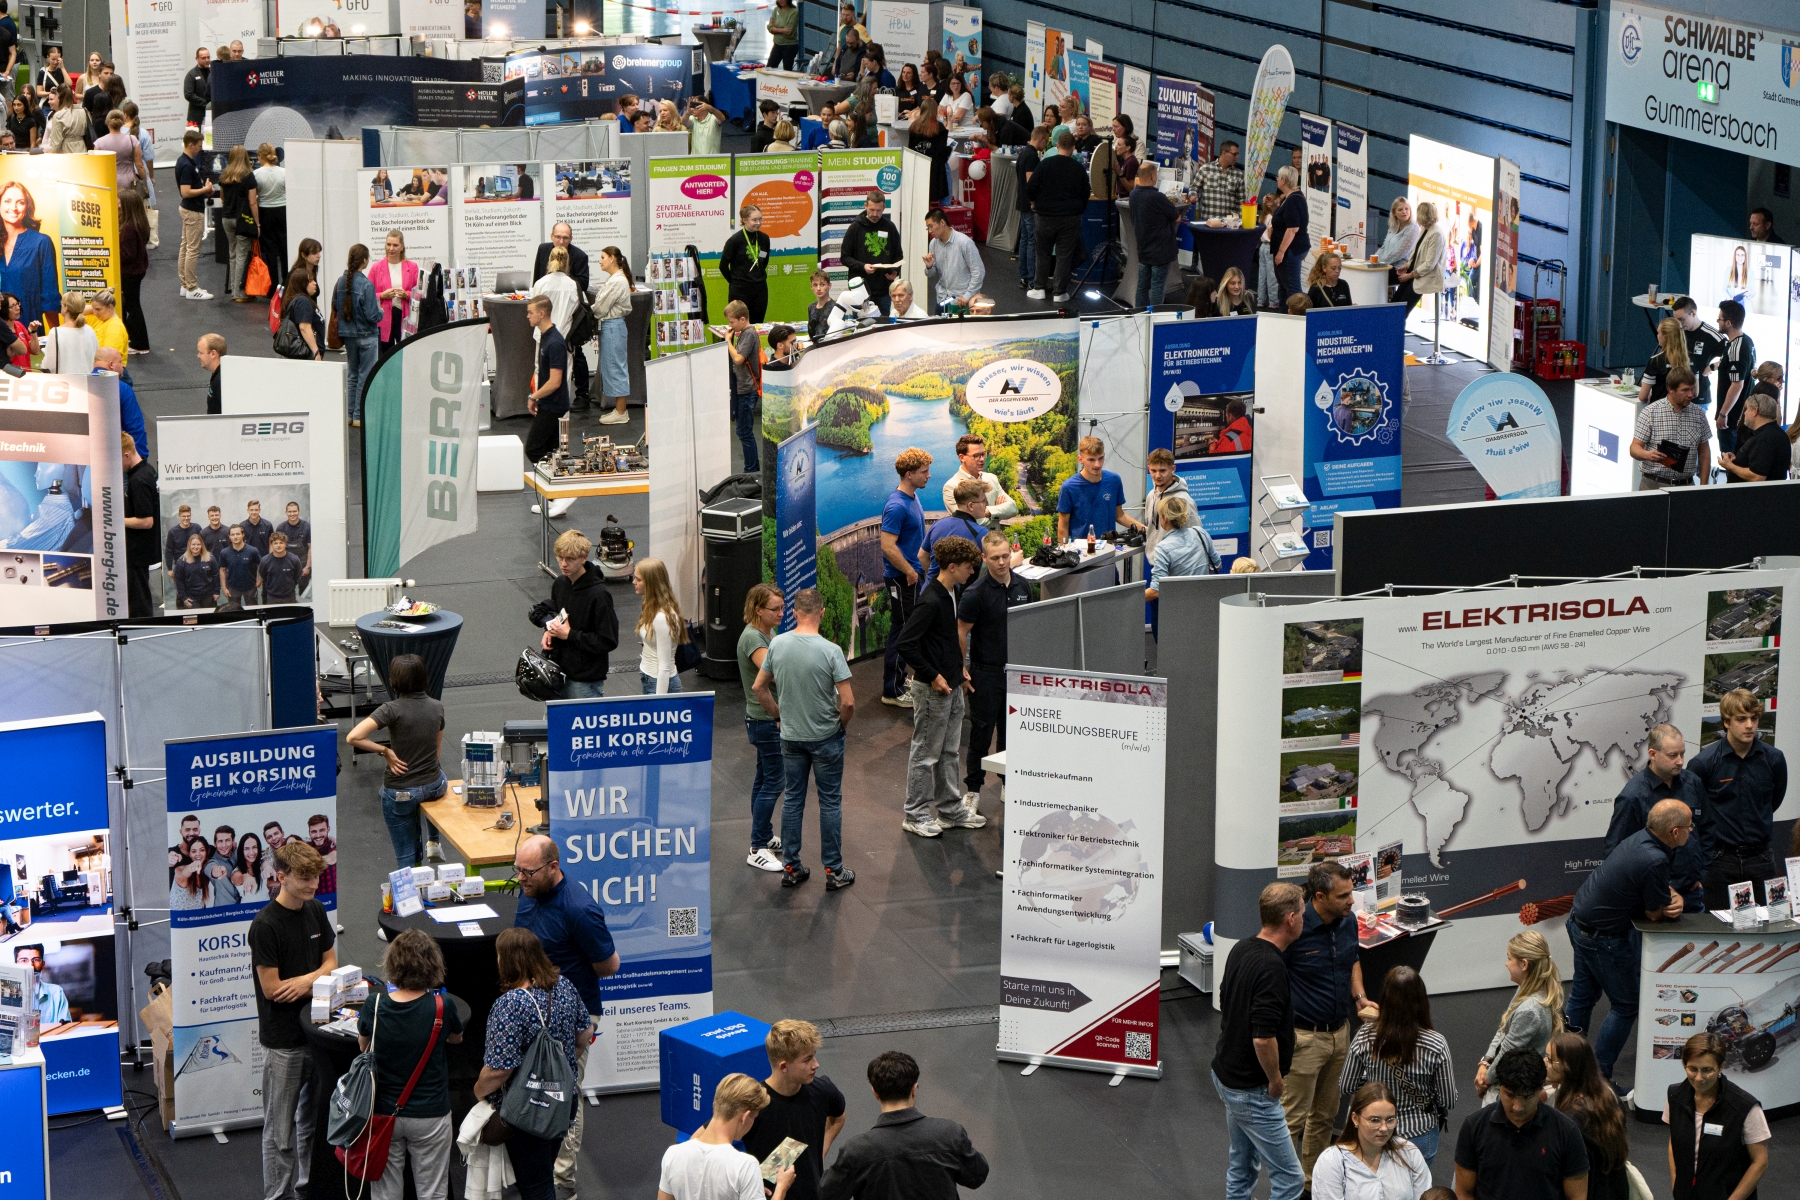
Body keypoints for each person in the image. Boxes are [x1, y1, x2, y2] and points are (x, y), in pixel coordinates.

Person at [508, 837, 618, 1197]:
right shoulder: (531, 890)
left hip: (573, 1016)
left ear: (553, 867)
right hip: (534, 1010)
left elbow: (609, 965)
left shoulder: (579, 909)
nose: (521, 878)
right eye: (518, 870)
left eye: (528, 872)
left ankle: (562, 1180)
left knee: (563, 1092)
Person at [1564, 798, 1692, 1087]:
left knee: (1583, 995)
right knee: (1625, 1005)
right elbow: (1654, 914)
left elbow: (1650, 884)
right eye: (1689, 827)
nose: (1691, 831)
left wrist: (1669, 894)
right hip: (1603, 939)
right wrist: (1674, 901)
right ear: (1674, 832)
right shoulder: (1656, 859)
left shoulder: (1639, 839)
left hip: (1578, 923)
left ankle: (1567, 1069)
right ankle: (1600, 1080)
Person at [1280, 861, 1378, 1189]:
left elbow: (1352, 959)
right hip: (1304, 1039)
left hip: (1340, 1034)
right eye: (1344, 895)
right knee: (1291, 1121)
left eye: (1352, 892)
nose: (1352, 900)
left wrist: (1359, 996)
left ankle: (1312, 1183)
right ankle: (1284, 1188)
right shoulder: (1294, 928)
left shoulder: (1347, 921)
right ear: (1319, 897)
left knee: (1324, 1116)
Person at [752, 588, 856, 890]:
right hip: (826, 737)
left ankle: (792, 868)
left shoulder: (777, 644)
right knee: (830, 802)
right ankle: (834, 871)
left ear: (795, 613)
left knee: (793, 800)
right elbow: (848, 702)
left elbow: (759, 688)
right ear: (822, 613)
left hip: (791, 737)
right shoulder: (831, 651)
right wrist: (840, 726)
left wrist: (779, 716)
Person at [251, 839, 337, 1200]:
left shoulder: (315, 909)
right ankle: (277, 1195)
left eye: (315, 877)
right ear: (282, 876)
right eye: (304, 877)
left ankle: (305, 1190)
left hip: (317, 1033)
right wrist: (317, 979)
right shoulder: (265, 926)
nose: (313, 884)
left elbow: (331, 963)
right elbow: (273, 989)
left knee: (311, 1125)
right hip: (284, 1042)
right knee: (279, 1133)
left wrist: (303, 982)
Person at [478, 927, 589, 1200]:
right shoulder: (564, 986)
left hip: (528, 1110)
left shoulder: (510, 1004)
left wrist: (478, 1092)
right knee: (543, 1171)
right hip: (562, 1100)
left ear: (507, 961)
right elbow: (585, 1033)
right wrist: (562, 1066)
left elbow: (500, 1069)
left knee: (536, 1188)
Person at [1212, 881, 1306, 1200]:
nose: (1304, 920)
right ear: (1290, 919)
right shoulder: (1272, 966)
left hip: (1227, 1076)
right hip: (1252, 1090)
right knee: (1290, 1179)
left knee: (1242, 1164)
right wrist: (1275, 1080)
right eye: (1302, 914)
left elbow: (1226, 999)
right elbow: (1263, 1039)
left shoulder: (1242, 947)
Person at [356, 930, 464, 1200]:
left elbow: (363, 1046)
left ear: (393, 964)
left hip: (383, 1113)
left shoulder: (374, 1004)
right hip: (431, 1114)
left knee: (385, 1192)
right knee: (433, 1192)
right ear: (434, 965)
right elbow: (456, 1038)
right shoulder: (443, 1006)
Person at [896, 533, 984, 838]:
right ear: (952, 566)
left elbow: (946, 640)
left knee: (948, 752)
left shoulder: (952, 592)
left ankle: (949, 809)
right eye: (968, 566)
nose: (972, 571)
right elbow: (906, 644)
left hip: (952, 686)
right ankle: (915, 814)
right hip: (933, 690)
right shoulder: (931, 600)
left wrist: (959, 672)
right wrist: (933, 676)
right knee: (925, 754)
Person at [818, 1050, 988, 1200]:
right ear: (914, 1089)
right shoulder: (950, 1134)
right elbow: (977, 1176)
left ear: (875, 1093)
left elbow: (826, 1194)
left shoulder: (856, 1151)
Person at [1338, 966, 1456, 1167]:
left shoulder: (1365, 1035)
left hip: (1374, 1133)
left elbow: (1346, 1086)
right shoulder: (1436, 1043)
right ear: (1421, 1000)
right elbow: (1448, 1100)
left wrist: (1371, 1082)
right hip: (1419, 1134)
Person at [1689, 687, 1787, 907]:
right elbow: (1694, 813)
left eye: (1754, 718)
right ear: (1726, 722)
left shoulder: (1774, 759)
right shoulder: (1703, 763)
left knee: (1768, 922)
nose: (1749, 725)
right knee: (1716, 924)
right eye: (1741, 719)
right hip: (1719, 860)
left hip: (1761, 858)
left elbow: (1774, 801)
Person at [347, 653, 446, 867]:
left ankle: (408, 888)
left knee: (405, 854)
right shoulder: (438, 707)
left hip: (401, 791)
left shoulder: (390, 709)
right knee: (442, 777)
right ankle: (433, 841)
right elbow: (436, 751)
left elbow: (353, 737)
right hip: (433, 786)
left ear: (394, 680)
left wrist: (385, 751)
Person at [1454, 1048, 1589, 1200]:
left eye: (1527, 1096)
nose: (1517, 1107)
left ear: (1541, 1088)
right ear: (1500, 1087)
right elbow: (1464, 1193)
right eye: (1510, 1095)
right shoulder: (1473, 1127)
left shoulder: (1567, 1132)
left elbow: (1577, 1196)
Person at [957, 531, 1028, 809]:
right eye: (995, 558)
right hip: (985, 674)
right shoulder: (975, 594)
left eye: (1005, 556)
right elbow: (961, 632)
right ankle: (973, 790)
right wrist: (963, 671)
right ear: (984, 558)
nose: (1001, 562)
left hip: (1016, 674)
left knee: (1012, 733)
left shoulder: (1023, 587)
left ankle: (1008, 783)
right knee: (981, 735)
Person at [741, 1020, 846, 1200]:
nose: (816, 1064)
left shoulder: (823, 1091)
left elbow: (838, 1116)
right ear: (783, 1066)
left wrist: (821, 1152)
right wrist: (746, 1179)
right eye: (807, 1060)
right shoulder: (754, 1102)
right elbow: (709, 1140)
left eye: (814, 1056)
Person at [1607, 723, 1707, 911]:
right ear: (1653, 754)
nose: (1680, 761)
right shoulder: (1632, 797)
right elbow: (1617, 854)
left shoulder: (1693, 783)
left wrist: (1702, 873)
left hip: (1693, 892)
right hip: (1656, 898)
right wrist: (1662, 891)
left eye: (1682, 754)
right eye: (1672, 755)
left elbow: (1707, 828)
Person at [1664, 1031, 1769, 1200]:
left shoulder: (1745, 1107)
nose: (1699, 1078)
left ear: (1721, 1067)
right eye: (1692, 1069)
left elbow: (1760, 1161)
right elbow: (1674, 1141)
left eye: (1707, 1070)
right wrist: (1677, 1184)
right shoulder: (1675, 1097)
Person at [660, 1073, 796, 1200]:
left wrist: (751, 1184)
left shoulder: (672, 1154)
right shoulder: (745, 1166)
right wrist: (781, 1187)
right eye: (754, 1118)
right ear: (745, 1116)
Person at [533, 528, 618, 700]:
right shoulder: (560, 584)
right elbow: (557, 614)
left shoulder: (599, 595)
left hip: (584, 681)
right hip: (558, 673)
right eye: (560, 557)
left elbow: (607, 640)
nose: (563, 564)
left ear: (584, 557)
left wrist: (569, 635)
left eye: (570, 559)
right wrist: (550, 630)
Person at [737, 583, 787, 874]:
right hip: (766, 720)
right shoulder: (753, 639)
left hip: (763, 720)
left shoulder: (767, 634)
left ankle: (764, 835)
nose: (781, 613)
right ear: (758, 609)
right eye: (775, 609)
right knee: (774, 782)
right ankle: (757, 848)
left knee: (764, 778)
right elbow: (775, 674)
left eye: (782, 608)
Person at [1310, 1082, 1431, 1200]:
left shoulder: (1409, 1152)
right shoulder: (1332, 1161)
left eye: (1390, 1120)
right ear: (1355, 1119)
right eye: (1375, 1120)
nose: (1384, 1128)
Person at [1544, 1034, 1629, 1200]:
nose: (1544, 1062)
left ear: (1567, 1066)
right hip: (1615, 1188)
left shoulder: (1571, 1118)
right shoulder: (1608, 1096)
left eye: (1550, 1059)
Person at [879, 447, 931, 706]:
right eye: (924, 472)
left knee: (905, 629)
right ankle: (892, 691)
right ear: (909, 474)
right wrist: (910, 571)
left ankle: (899, 678)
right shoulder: (897, 506)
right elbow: (887, 546)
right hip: (902, 579)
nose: (928, 476)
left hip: (910, 576)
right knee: (902, 632)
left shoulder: (912, 497)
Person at [1026, 131, 1091, 302]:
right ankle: (1059, 292)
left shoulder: (1045, 164)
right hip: (1070, 217)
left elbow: (1030, 187)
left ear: (1057, 145)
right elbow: (1085, 193)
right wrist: (1079, 210)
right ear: (1073, 147)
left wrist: (1034, 203)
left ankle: (1039, 288)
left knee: (1042, 253)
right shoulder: (1078, 168)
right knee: (1064, 255)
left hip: (1045, 215)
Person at [1631, 367, 1711, 488]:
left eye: (1692, 389)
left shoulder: (1699, 414)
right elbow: (1634, 448)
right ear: (1671, 389)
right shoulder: (1650, 412)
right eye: (1685, 390)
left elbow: (1704, 452)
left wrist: (1704, 486)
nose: (1691, 394)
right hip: (1653, 484)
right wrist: (1647, 454)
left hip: (1686, 485)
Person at [1056, 435, 1144, 543]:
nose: (1097, 464)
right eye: (1091, 460)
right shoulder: (1069, 487)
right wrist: (1064, 549)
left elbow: (1119, 515)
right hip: (1081, 549)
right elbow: (1063, 526)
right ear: (1080, 459)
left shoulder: (1114, 480)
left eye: (1100, 458)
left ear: (1104, 456)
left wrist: (1145, 529)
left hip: (1108, 546)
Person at [1129, 162, 1189, 309]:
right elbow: (1176, 217)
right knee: (1158, 286)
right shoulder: (1158, 197)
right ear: (1152, 176)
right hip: (1160, 251)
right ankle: (1155, 315)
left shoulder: (1133, 194)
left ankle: (1139, 313)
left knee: (1142, 286)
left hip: (1143, 248)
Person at [0, 180, 57, 326]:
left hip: (27, 328)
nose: (13, 208)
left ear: (27, 207)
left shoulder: (41, 242)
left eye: (20, 202)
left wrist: (56, 336)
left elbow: (50, 296)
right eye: (7, 201)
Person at [838, 189, 903, 317]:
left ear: (884, 208)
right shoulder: (855, 228)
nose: (875, 214)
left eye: (878, 211)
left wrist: (895, 271)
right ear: (865, 206)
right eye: (872, 210)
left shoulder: (890, 227)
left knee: (883, 325)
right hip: (859, 290)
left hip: (883, 289)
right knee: (860, 325)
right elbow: (845, 257)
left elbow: (898, 255)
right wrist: (863, 266)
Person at [1145, 495, 1219, 603]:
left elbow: (1156, 590)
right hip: (1205, 602)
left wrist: (1132, 600)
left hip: (1179, 606)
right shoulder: (1200, 533)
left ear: (1165, 519)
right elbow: (1217, 565)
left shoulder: (1162, 548)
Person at [522, 294, 569, 461]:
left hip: (553, 406)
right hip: (548, 403)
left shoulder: (554, 343)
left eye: (530, 312)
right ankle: (551, 474)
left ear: (541, 314)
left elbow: (555, 382)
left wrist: (533, 396)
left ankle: (546, 475)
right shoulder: (546, 337)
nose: (527, 316)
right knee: (551, 452)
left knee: (533, 449)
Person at [118, 430, 159, 617]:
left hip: (137, 552)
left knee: (139, 602)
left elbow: (146, 521)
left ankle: (142, 629)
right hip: (140, 550)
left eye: (118, 459)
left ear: (127, 455)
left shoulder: (138, 480)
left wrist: (116, 521)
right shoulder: (146, 470)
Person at [592, 245, 634, 426]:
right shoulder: (615, 279)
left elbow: (600, 308)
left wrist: (589, 310)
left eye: (603, 257)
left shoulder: (617, 281)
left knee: (616, 367)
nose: (600, 261)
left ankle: (621, 412)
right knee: (612, 366)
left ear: (612, 258)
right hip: (611, 326)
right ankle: (619, 409)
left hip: (612, 326)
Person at [633, 556, 686, 695]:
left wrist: (660, 701)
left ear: (651, 583)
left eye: (638, 579)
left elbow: (664, 667)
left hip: (659, 683)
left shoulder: (662, 617)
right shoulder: (651, 607)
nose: (634, 582)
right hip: (650, 678)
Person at [723, 299, 763, 471]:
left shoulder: (749, 335)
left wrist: (728, 341)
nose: (730, 325)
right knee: (743, 431)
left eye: (732, 322)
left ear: (742, 319)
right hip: (742, 388)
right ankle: (751, 468)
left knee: (745, 432)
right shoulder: (744, 334)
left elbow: (739, 358)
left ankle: (751, 469)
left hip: (747, 390)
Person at [938, 435, 1018, 520]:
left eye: (983, 454)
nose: (982, 459)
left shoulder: (992, 478)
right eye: (976, 455)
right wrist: (998, 511)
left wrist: (988, 512)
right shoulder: (952, 487)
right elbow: (968, 521)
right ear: (962, 457)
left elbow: (1013, 508)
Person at [216, 146, 260, 302]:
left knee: (233, 253)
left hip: (226, 218)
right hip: (242, 219)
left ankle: (234, 289)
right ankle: (238, 292)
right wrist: (258, 223)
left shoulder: (224, 175)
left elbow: (222, 198)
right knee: (242, 254)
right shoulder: (248, 176)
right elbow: (252, 202)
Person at [921, 207, 984, 309]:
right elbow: (931, 274)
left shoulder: (964, 242)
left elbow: (978, 272)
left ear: (942, 222)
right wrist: (929, 266)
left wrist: (967, 296)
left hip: (962, 300)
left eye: (931, 226)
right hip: (942, 298)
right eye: (928, 228)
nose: (930, 231)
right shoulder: (933, 244)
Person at [1720, 391, 1787, 482]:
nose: (1744, 413)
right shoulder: (1776, 434)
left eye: (1747, 409)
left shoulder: (1765, 439)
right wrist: (1739, 459)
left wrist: (1730, 466)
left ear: (1755, 411)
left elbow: (1757, 477)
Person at [722, 204, 771, 322]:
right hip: (740, 290)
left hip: (760, 289)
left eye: (760, 219)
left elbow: (763, 262)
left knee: (757, 323)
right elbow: (723, 266)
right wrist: (735, 281)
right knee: (739, 323)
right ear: (745, 220)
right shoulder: (734, 241)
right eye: (754, 220)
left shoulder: (764, 238)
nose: (758, 223)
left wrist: (757, 275)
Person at [1392, 201, 1443, 315]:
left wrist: (1409, 275)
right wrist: (1407, 266)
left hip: (1425, 275)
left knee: (1401, 311)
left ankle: (1396, 325)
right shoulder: (1425, 229)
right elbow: (1417, 253)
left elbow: (1429, 264)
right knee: (1394, 303)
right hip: (1415, 272)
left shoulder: (1436, 234)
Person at [369, 229, 417, 349]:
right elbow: (367, 295)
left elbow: (419, 294)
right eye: (388, 244)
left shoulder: (412, 267)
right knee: (385, 353)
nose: (391, 248)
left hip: (405, 316)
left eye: (395, 245)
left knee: (406, 351)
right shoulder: (376, 267)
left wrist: (407, 294)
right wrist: (382, 296)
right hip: (383, 317)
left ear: (402, 247)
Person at [528, 245, 581, 348]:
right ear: (567, 262)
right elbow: (576, 310)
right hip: (566, 337)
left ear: (550, 260)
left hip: (543, 336)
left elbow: (534, 307)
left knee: (544, 359)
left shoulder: (541, 283)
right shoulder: (573, 285)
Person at [1269, 165, 1309, 303]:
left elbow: (1293, 228)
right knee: (1284, 287)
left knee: (1293, 290)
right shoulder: (1289, 198)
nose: (1277, 179)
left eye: (1278, 177)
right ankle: (1284, 313)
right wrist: (1274, 207)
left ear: (1284, 180)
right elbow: (1282, 220)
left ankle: (1298, 314)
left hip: (1291, 250)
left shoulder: (1293, 200)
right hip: (1290, 248)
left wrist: (1281, 252)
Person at [118, 191, 151, 355]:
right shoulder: (139, 223)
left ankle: (140, 343)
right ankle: (136, 340)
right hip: (136, 271)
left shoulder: (128, 228)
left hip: (130, 273)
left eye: (119, 202)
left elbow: (127, 254)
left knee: (132, 307)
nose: (117, 205)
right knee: (132, 306)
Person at [909, 97, 952, 206]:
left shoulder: (914, 126)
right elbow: (941, 151)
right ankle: (945, 206)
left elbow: (910, 149)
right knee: (947, 171)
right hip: (936, 169)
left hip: (918, 166)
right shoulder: (939, 127)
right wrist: (950, 149)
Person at [1638, 316, 1690, 403]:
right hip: (1683, 408)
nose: (1657, 336)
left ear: (1665, 337)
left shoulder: (1656, 361)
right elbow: (1695, 392)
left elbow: (1643, 396)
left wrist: (1649, 396)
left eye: (1658, 333)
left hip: (1660, 408)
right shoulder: (1691, 359)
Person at [39, 291, 94, 373]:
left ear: (65, 308)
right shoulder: (90, 330)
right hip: (87, 378)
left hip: (64, 379)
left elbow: (49, 365)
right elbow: (94, 357)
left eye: (61, 305)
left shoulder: (56, 332)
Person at [12, 946, 69, 1024]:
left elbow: (66, 1027)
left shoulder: (56, 992)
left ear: (43, 964)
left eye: (36, 960)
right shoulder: (5, 996)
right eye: (24, 960)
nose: (30, 965)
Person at [279, 266, 324, 360]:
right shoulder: (302, 301)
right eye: (310, 281)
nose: (315, 283)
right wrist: (316, 352)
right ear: (302, 284)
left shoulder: (295, 300)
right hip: (306, 354)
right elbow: (304, 327)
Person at [171, 532, 216, 609]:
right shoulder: (181, 561)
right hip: (191, 598)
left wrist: (217, 591)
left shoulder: (210, 558)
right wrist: (184, 597)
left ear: (202, 545)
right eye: (193, 544)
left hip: (208, 596)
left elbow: (215, 575)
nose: (196, 547)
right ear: (189, 545)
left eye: (198, 544)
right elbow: (178, 581)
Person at [1377, 197, 1421, 274]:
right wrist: (1374, 259)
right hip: (1385, 265)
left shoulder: (1413, 227)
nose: (1404, 212)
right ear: (1394, 213)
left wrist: (1379, 263)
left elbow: (1399, 253)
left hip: (1400, 270)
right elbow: (1384, 247)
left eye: (1407, 209)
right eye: (1400, 210)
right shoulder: (1395, 225)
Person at [41, 85, 86, 152]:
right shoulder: (82, 111)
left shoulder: (59, 115)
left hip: (66, 152)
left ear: (58, 95)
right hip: (82, 149)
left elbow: (55, 145)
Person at [765, 0, 800, 71]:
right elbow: (769, 27)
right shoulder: (775, 10)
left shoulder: (794, 12)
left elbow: (789, 32)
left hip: (790, 46)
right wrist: (783, 29)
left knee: (787, 70)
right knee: (769, 68)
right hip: (777, 44)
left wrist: (775, 28)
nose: (780, 1)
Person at [195, 331, 225, 414]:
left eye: (201, 353)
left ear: (213, 354)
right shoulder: (219, 374)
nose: (198, 356)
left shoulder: (221, 381)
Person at [182, 47, 211, 126]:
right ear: (197, 59)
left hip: (211, 115)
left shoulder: (213, 72)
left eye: (208, 57)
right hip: (196, 118)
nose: (207, 60)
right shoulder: (191, 74)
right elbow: (189, 94)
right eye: (203, 58)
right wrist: (206, 104)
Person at [807, 269, 834, 342]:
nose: (818, 289)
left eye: (822, 284)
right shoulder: (811, 307)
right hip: (815, 346)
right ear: (811, 286)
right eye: (815, 285)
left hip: (830, 345)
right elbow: (811, 332)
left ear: (829, 285)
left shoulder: (835, 307)